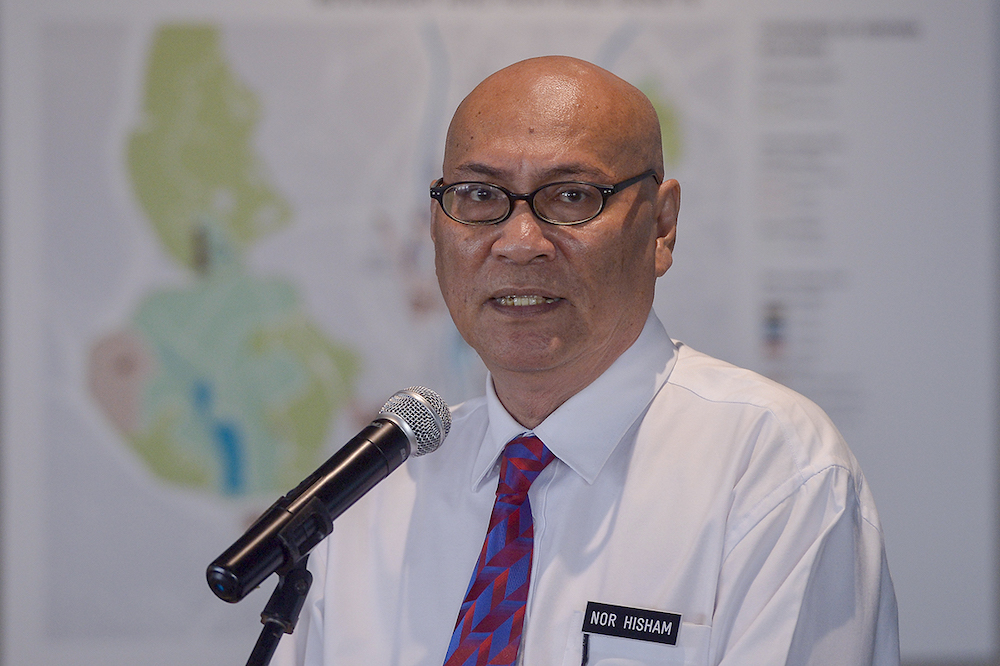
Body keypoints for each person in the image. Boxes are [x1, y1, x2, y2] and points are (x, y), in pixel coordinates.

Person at [276, 55, 898, 666]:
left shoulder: (773, 470)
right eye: (478, 194)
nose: (520, 243)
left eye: (572, 196)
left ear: (661, 224)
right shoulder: (375, 494)